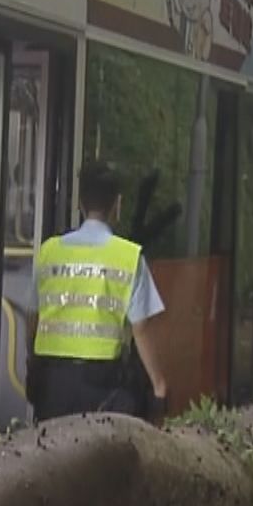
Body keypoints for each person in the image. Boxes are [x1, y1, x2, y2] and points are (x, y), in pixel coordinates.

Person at [27, 161, 169, 422]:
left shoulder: (48, 252)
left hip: (53, 385)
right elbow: (142, 329)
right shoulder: (128, 257)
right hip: (104, 389)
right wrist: (159, 386)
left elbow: (33, 320)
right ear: (118, 204)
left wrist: (33, 366)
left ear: (79, 204)